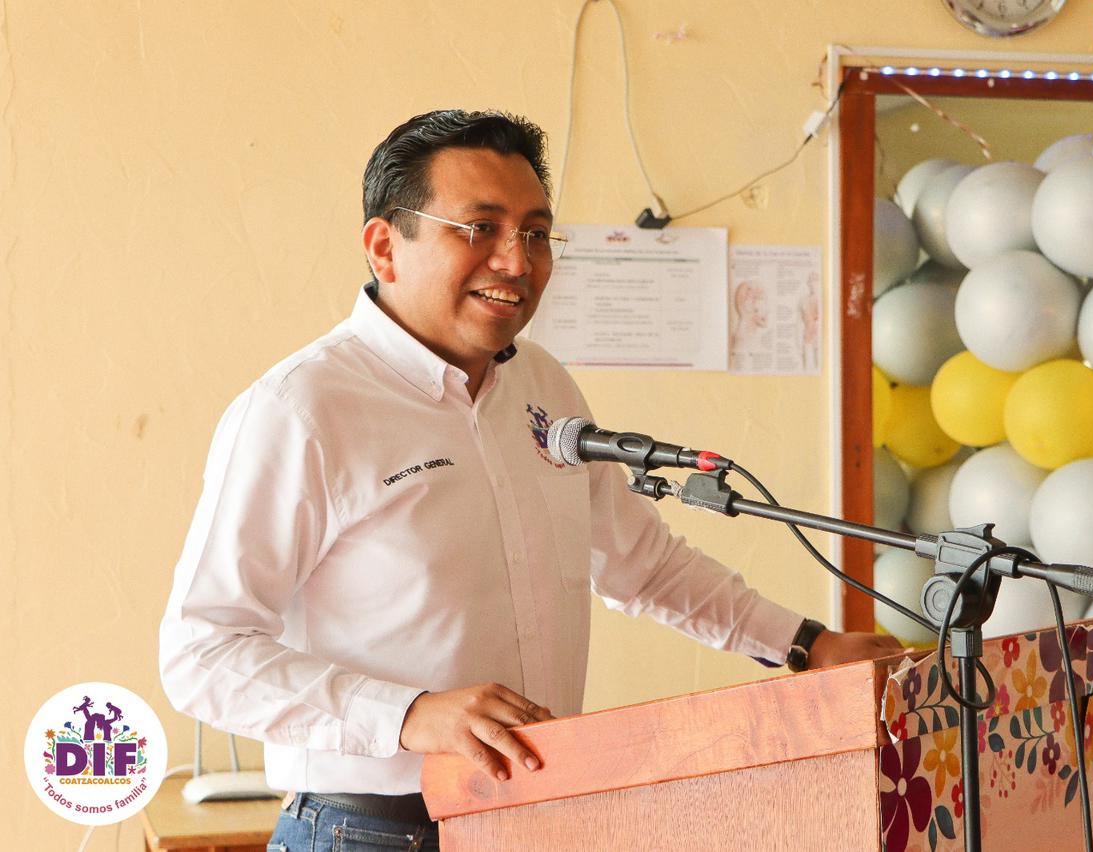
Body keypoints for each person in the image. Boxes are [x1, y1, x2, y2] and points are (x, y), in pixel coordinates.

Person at [158, 109, 901, 851]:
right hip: (373, 831)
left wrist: (806, 644)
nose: (517, 262)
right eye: (480, 228)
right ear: (385, 247)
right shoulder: (302, 409)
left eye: (537, 233)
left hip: (537, 816)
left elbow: (644, 565)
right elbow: (201, 654)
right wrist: (409, 714)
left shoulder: (543, 386)